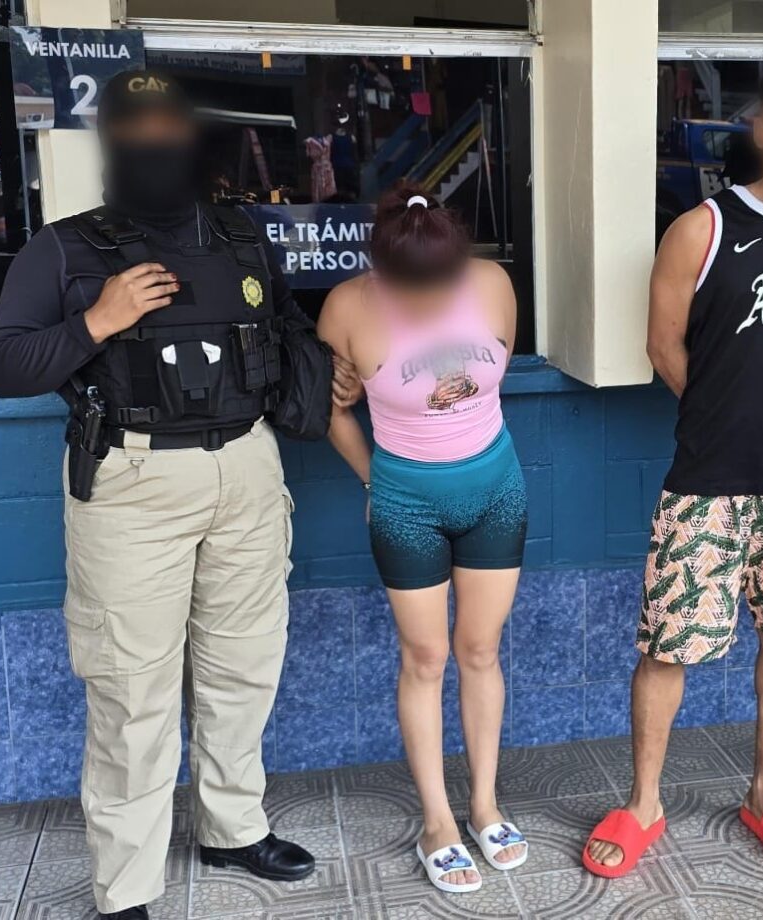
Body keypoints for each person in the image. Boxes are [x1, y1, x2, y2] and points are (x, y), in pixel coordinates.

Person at [0, 70, 334, 920]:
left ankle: (232, 828)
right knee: (132, 692)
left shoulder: (243, 235)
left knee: (243, 668)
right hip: (133, 481)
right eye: (137, 133)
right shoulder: (65, 249)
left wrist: (319, 374)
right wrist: (96, 321)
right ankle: (127, 885)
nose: (156, 148)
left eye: (170, 132)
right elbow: (2, 364)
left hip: (247, 469)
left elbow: (286, 328)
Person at [585, 50, 763, 877]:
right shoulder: (702, 229)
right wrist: (726, 417)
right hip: (710, 478)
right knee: (668, 645)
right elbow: (663, 346)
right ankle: (644, 802)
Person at [319, 187, 529, 895]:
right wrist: (372, 479)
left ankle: (485, 805)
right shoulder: (348, 307)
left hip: (495, 489)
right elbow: (330, 410)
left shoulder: (493, 284)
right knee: (425, 656)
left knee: (480, 650)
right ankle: (437, 822)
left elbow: (492, 381)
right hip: (406, 500)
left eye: (439, 287)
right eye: (411, 292)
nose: (428, 303)